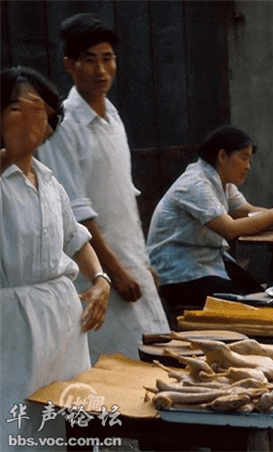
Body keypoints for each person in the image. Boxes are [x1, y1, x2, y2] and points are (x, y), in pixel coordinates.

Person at [38, 13, 169, 362]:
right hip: (96, 272)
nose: (101, 71)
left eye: (107, 58)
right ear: (70, 64)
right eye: (89, 60)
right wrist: (115, 272)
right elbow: (77, 213)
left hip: (130, 261)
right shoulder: (64, 124)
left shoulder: (112, 116)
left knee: (154, 356)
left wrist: (141, 262)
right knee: (114, 366)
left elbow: (123, 199)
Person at [1, 67, 110, 450]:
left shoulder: (50, 183)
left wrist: (100, 281)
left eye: (38, 109)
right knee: (15, 428)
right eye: (16, 108)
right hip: (12, 328)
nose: (30, 119)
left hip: (63, 325)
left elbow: (76, 239)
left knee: (68, 425)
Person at [146, 125, 273, 327]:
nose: (248, 166)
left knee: (264, 298)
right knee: (251, 310)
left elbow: (247, 211)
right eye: (244, 158)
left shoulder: (223, 184)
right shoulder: (196, 184)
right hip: (179, 273)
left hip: (206, 263)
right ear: (222, 156)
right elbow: (231, 229)